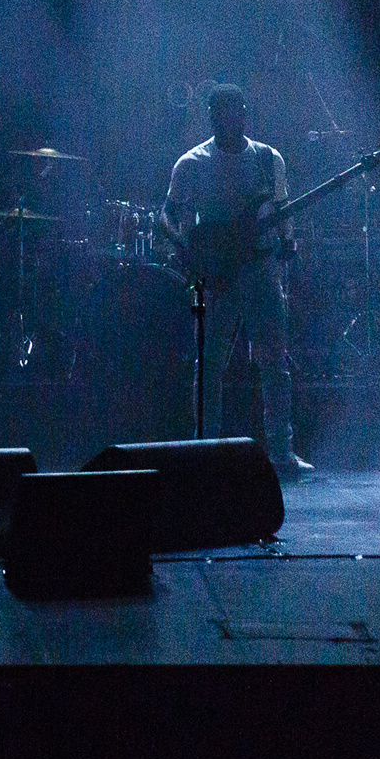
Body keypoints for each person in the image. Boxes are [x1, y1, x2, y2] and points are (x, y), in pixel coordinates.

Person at [162, 83, 315, 479]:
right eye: (222, 112)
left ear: (245, 112)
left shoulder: (268, 159)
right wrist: (187, 249)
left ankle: (281, 452)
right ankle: (203, 448)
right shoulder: (192, 163)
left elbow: (282, 210)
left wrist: (287, 243)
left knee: (273, 364)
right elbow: (167, 214)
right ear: (212, 116)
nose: (231, 118)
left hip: (261, 270)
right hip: (218, 276)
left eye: (236, 111)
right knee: (210, 365)